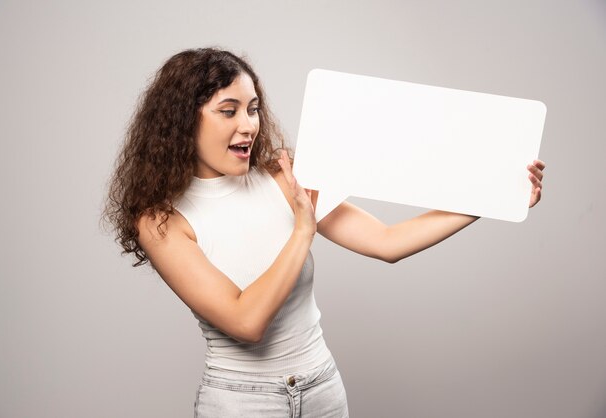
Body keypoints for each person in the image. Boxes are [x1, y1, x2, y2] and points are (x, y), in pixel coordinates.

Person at [102, 47, 546, 417]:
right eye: (228, 111)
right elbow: (246, 322)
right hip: (242, 404)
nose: (249, 125)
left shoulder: (283, 177)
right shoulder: (161, 221)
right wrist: (302, 230)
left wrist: (494, 197)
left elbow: (387, 243)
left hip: (322, 391)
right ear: (184, 122)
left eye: (253, 109)